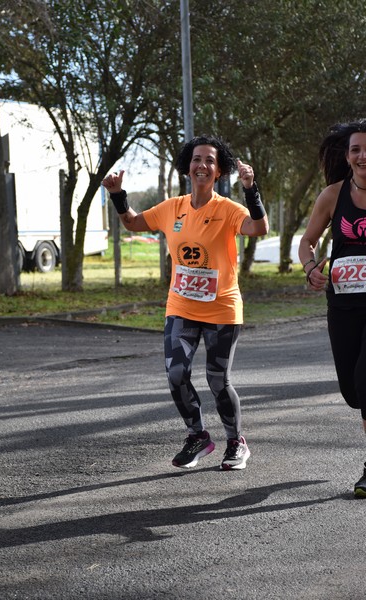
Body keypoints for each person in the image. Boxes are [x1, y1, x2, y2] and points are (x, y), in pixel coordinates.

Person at [102, 135, 268, 470]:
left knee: (217, 379)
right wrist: (118, 195)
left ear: (218, 171)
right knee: (176, 373)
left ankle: (236, 442)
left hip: (222, 307)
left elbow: (259, 227)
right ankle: (197, 436)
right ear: (187, 167)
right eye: (196, 159)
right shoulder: (171, 208)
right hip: (181, 306)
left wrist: (250, 189)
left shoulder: (228, 209)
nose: (202, 165)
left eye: (210, 160)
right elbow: (133, 222)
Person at [299, 120, 366, 497]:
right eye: (356, 149)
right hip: (342, 303)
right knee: (352, 391)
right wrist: (310, 268)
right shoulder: (332, 195)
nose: (363, 156)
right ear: (347, 155)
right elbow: (307, 241)